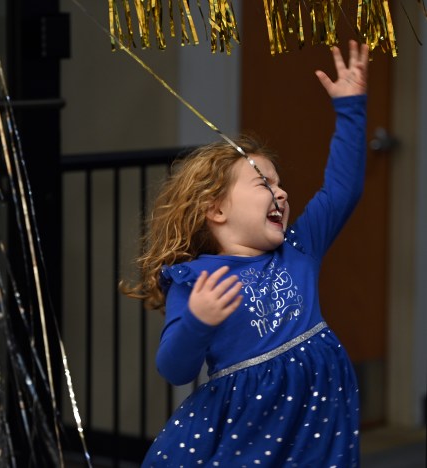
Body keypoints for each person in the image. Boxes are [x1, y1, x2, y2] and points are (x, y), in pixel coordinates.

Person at [122, 40, 369, 467]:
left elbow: (342, 190)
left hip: (317, 424)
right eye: (264, 185)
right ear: (216, 209)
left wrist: (351, 109)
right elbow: (174, 369)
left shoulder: (299, 248)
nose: (282, 192)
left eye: (279, 182)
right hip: (249, 432)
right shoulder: (196, 279)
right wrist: (197, 321)